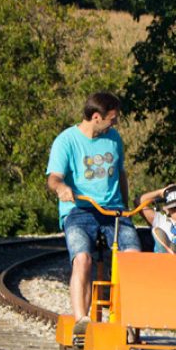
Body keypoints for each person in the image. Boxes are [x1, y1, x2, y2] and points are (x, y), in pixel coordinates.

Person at [46, 92, 141, 333]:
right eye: (112, 119)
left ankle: (126, 318)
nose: (115, 123)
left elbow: (121, 174)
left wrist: (126, 208)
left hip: (113, 210)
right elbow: (54, 177)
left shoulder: (113, 138)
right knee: (82, 259)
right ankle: (81, 320)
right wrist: (62, 188)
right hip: (79, 210)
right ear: (96, 117)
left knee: (132, 257)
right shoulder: (66, 141)